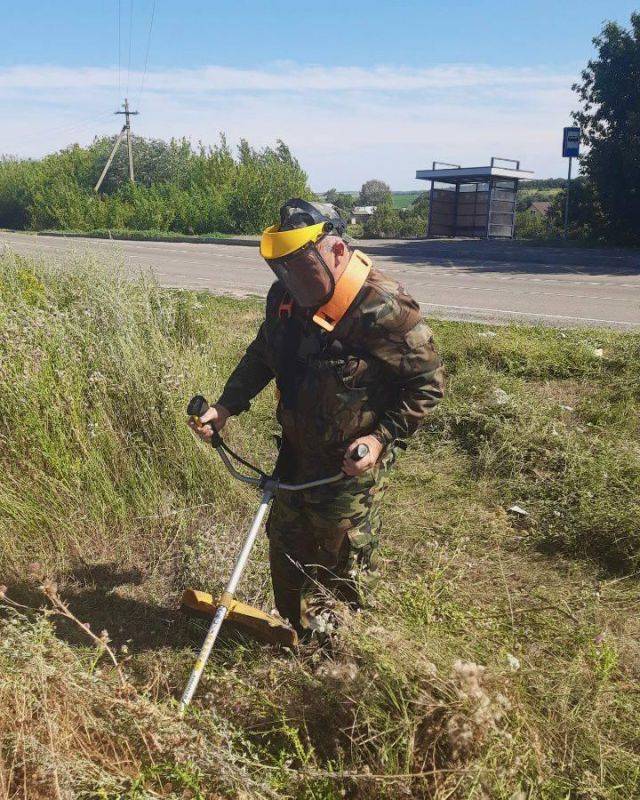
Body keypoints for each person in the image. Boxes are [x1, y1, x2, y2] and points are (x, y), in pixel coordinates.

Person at [191, 199, 444, 636]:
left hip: (347, 471)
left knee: (341, 569)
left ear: (338, 250)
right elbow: (262, 356)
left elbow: (426, 384)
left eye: (301, 266)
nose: (292, 279)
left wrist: (381, 440)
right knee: (286, 553)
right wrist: (226, 405)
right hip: (293, 458)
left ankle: (337, 662)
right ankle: (291, 639)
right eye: (283, 268)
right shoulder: (286, 299)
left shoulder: (382, 306)